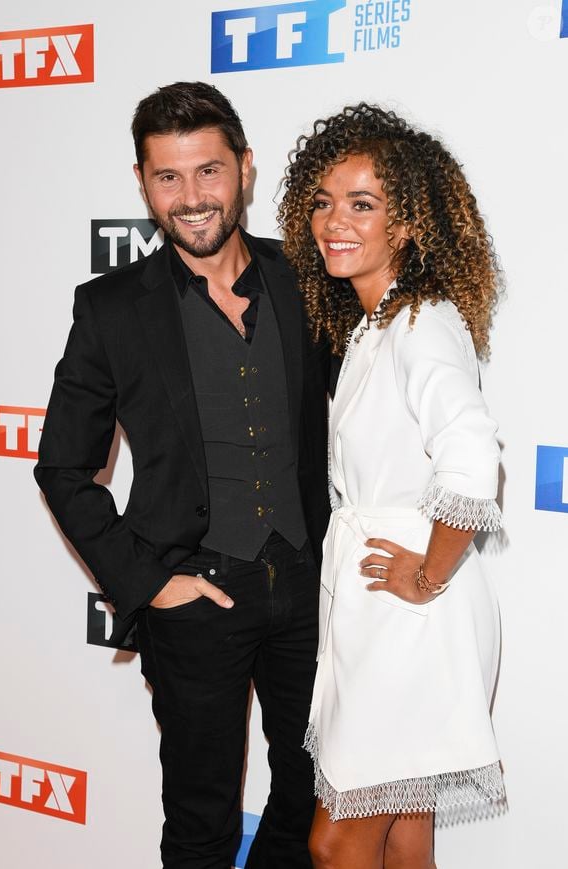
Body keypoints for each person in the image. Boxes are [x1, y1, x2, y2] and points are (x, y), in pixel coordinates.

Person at [35, 81, 335, 869]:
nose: (191, 197)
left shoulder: (302, 280)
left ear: (244, 167)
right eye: (168, 177)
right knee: (201, 820)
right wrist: (148, 579)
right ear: (142, 182)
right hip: (193, 598)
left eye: (208, 171)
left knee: (311, 792)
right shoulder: (111, 309)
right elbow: (62, 465)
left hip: (308, 589)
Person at [278, 103, 506, 868]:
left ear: (408, 223)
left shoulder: (419, 322)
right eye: (323, 201)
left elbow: (473, 458)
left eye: (363, 204)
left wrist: (428, 570)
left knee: (337, 838)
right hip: (390, 600)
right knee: (405, 831)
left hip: (410, 612)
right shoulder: (381, 320)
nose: (333, 221)